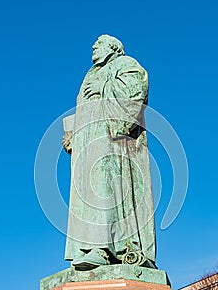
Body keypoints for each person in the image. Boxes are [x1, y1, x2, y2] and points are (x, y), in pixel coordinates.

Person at [63, 34, 156, 270]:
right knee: (86, 194)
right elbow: (85, 109)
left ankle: (103, 249)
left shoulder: (125, 64)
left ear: (114, 48)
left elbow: (136, 91)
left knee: (105, 189)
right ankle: (86, 247)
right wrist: (73, 135)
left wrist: (104, 86)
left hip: (111, 140)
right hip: (88, 144)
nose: (93, 46)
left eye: (99, 43)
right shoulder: (89, 74)